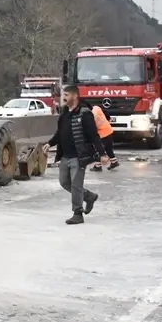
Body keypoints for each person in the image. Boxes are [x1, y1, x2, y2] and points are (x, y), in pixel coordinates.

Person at [44, 85, 109, 225]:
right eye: (63, 95)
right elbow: (60, 133)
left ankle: (78, 213)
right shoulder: (64, 113)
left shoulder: (85, 113)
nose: (64, 97)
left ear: (75, 96)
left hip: (79, 157)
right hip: (65, 156)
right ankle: (89, 196)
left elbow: (93, 135)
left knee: (76, 185)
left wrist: (102, 153)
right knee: (64, 182)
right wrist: (50, 143)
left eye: (66, 94)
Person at [89, 103, 119, 171]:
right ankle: (114, 162)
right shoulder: (96, 107)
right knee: (108, 148)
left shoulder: (91, 116)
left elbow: (91, 129)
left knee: (98, 149)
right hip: (109, 130)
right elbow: (105, 113)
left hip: (102, 133)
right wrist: (107, 120)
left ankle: (98, 166)